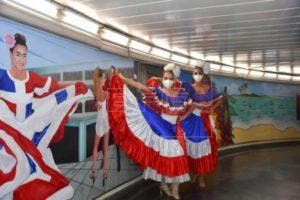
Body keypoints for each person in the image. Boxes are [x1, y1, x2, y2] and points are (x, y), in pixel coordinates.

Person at [0, 33, 91, 200]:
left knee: (37, 170)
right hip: (6, 136)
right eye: (18, 54)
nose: (21, 59)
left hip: (28, 133)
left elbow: (54, 88)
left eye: (24, 55)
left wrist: (75, 86)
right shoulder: (2, 76)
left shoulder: (32, 78)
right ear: (11, 55)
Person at [108, 63, 190, 199]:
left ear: (175, 79)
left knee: (170, 157)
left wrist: (158, 77)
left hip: (175, 128)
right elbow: (141, 86)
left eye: (170, 78)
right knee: (172, 156)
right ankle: (171, 189)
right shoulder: (158, 92)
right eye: (165, 78)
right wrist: (123, 79)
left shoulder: (181, 93)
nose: (167, 80)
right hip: (161, 127)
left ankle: (168, 186)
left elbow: (184, 98)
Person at [179, 61, 222, 189]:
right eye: (195, 73)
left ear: (203, 75)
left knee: (202, 147)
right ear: (192, 75)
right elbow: (188, 104)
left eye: (199, 73)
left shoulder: (209, 88)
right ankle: (194, 171)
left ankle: (201, 176)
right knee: (191, 147)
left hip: (204, 121)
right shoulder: (189, 88)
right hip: (192, 120)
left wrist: (212, 108)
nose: (197, 75)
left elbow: (219, 99)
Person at [89, 66, 115, 185]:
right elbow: (108, 108)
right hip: (105, 121)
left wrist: (96, 105)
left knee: (97, 147)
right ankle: (103, 172)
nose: (105, 80)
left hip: (101, 120)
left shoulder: (96, 92)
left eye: (105, 78)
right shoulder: (105, 93)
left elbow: (94, 105)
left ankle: (94, 170)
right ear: (100, 79)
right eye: (104, 78)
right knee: (104, 148)